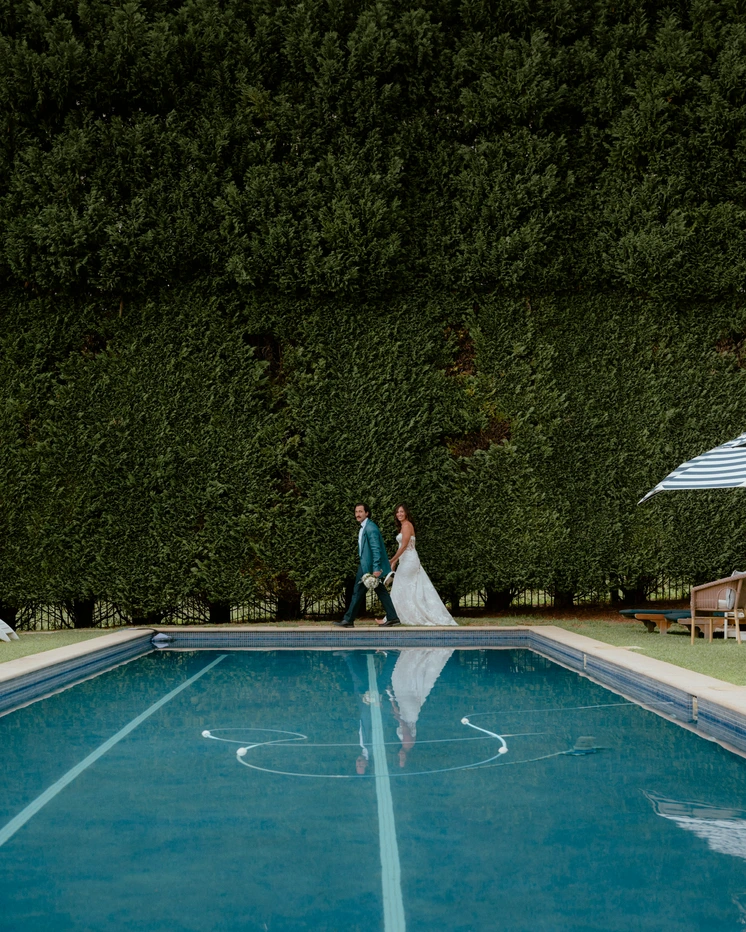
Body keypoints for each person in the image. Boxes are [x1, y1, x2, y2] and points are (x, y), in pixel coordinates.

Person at [377, 504, 458, 626]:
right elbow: (402, 546)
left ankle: (391, 617)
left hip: (409, 561)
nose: (399, 514)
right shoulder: (404, 526)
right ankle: (393, 616)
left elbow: (404, 546)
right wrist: (395, 563)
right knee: (405, 588)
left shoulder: (407, 525)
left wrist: (392, 560)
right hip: (406, 560)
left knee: (400, 587)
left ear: (406, 513)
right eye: (397, 512)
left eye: (401, 512)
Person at [335, 502, 401, 628]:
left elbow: (376, 549)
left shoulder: (371, 528)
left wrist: (376, 568)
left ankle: (348, 620)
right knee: (375, 591)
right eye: (356, 512)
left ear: (367, 513)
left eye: (360, 512)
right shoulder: (365, 527)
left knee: (360, 591)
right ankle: (393, 617)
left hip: (370, 567)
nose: (357, 514)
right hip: (366, 565)